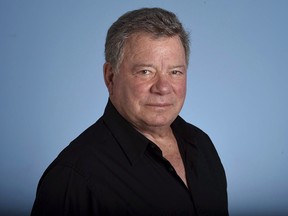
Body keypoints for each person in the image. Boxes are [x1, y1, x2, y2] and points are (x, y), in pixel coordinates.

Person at [31, 7, 228, 216]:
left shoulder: (201, 145)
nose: (163, 87)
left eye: (175, 72)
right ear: (111, 77)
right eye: (145, 72)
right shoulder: (74, 178)